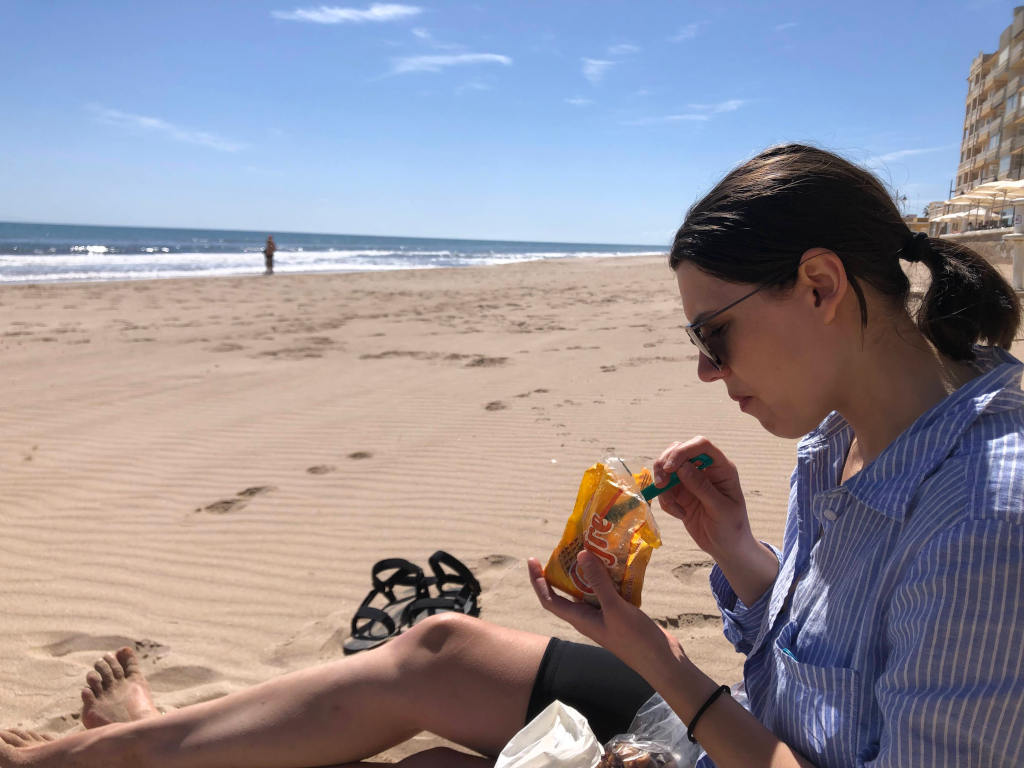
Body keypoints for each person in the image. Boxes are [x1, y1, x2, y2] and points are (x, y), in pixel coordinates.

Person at [2, 143, 1022, 768]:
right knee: (442, 645)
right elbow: (835, 646)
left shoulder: (986, 519)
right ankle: (121, 749)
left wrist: (658, 660)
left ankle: (116, 752)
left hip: (732, 744)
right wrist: (741, 554)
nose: (709, 374)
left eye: (714, 336)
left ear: (817, 286)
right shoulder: (841, 432)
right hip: (729, 736)